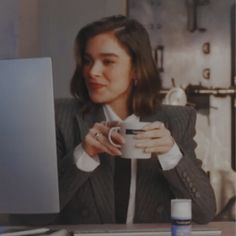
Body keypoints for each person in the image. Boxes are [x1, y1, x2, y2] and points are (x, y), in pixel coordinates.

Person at [11, 15, 216, 225]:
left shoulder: (177, 120)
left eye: (107, 61)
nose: (92, 71)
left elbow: (204, 213)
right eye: (88, 60)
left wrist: (171, 154)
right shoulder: (59, 117)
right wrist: (83, 155)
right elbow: (29, 218)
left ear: (136, 69)